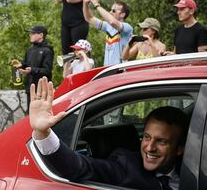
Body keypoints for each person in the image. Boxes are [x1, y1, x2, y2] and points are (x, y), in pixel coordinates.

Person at [30, 77, 188, 190]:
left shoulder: (195, 166)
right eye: (146, 137)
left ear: (180, 148)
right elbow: (80, 167)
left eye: (161, 141)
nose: (149, 147)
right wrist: (43, 133)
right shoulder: (126, 166)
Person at [11, 26, 54, 113]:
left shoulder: (47, 50)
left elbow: (47, 71)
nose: (30, 35)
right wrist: (21, 65)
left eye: (33, 33)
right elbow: (26, 64)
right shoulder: (30, 50)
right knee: (30, 114)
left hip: (42, 89)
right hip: (30, 88)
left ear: (41, 35)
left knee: (41, 113)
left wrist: (32, 70)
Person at [83, 0, 133, 66]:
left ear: (122, 15)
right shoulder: (107, 26)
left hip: (120, 67)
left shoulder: (127, 27)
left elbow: (112, 22)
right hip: (107, 68)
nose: (110, 12)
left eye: (113, 10)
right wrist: (85, 4)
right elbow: (89, 18)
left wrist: (97, 5)